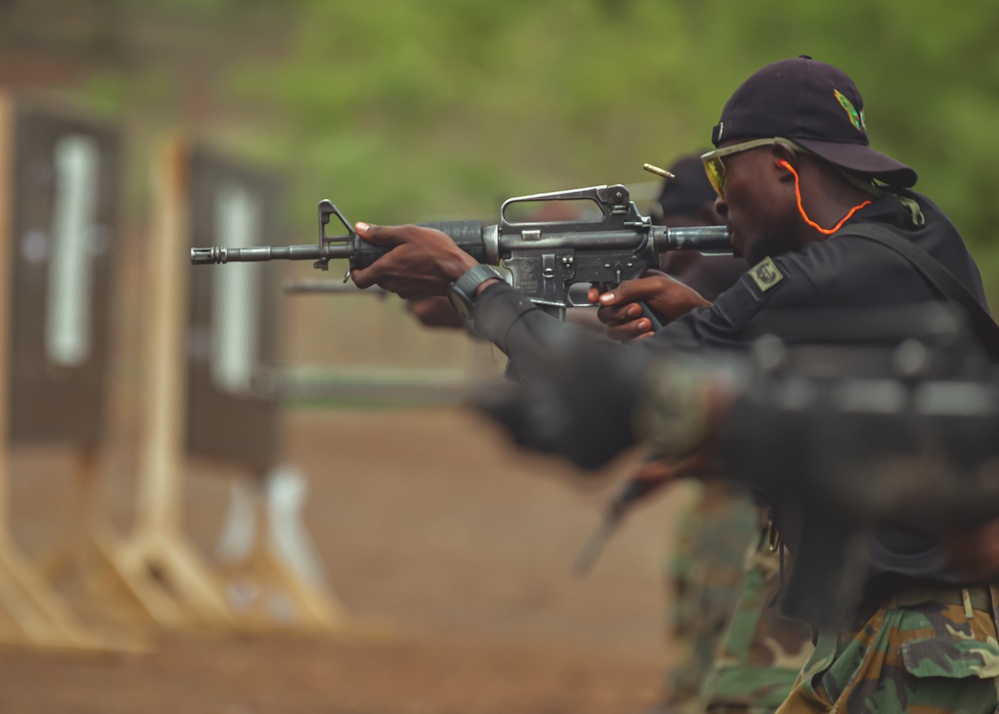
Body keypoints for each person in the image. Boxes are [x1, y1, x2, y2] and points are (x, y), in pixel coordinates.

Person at [349, 57, 999, 712]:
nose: (717, 197)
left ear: (782, 165)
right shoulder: (911, 230)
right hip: (898, 635)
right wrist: (704, 317)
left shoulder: (820, 275)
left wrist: (468, 280)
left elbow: (609, 391)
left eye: (723, 166)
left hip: (919, 645)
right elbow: (836, 368)